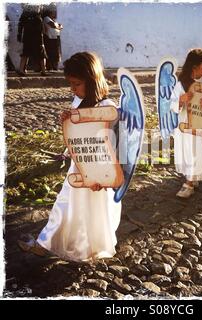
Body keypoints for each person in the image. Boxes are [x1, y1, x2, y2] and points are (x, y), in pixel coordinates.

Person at [18, 52, 122, 261]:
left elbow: (112, 144)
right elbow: (75, 134)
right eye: (71, 84)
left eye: (77, 84)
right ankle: (46, 243)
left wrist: (102, 177)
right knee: (66, 203)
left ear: (91, 81)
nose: (73, 89)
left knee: (94, 210)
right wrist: (67, 121)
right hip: (78, 166)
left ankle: (92, 247)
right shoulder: (78, 101)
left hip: (98, 169)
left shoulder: (106, 108)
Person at [170, 49, 202, 198]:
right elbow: (171, 104)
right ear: (195, 66)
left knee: (198, 152)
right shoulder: (182, 84)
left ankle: (189, 183)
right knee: (189, 152)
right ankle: (191, 177)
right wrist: (180, 100)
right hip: (186, 124)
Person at [17, 5, 47, 76]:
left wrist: (43, 34)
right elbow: (20, 25)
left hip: (37, 36)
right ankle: (22, 70)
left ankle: (43, 71)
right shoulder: (26, 14)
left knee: (40, 53)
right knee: (26, 53)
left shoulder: (38, 15)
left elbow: (41, 26)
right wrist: (19, 34)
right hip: (29, 36)